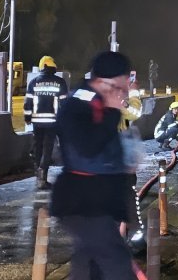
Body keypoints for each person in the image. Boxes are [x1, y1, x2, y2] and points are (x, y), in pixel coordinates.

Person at [52, 51, 139, 280]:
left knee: (89, 263)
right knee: (117, 264)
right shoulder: (77, 106)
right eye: (119, 88)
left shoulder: (99, 101)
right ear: (101, 82)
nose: (123, 94)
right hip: (83, 203)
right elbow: (88, 147)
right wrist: (111, 110)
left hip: (99, 202)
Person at [24, 55, 69, 190]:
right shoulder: (60, 82)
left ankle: (39, 177)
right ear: (52, 67)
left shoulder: (34, 82)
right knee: (48, 148)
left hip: (37, 122)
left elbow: (28, 103)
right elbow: (64, 104)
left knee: (38, 147)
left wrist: (27, 118)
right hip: (52, 122)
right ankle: (43, 173)